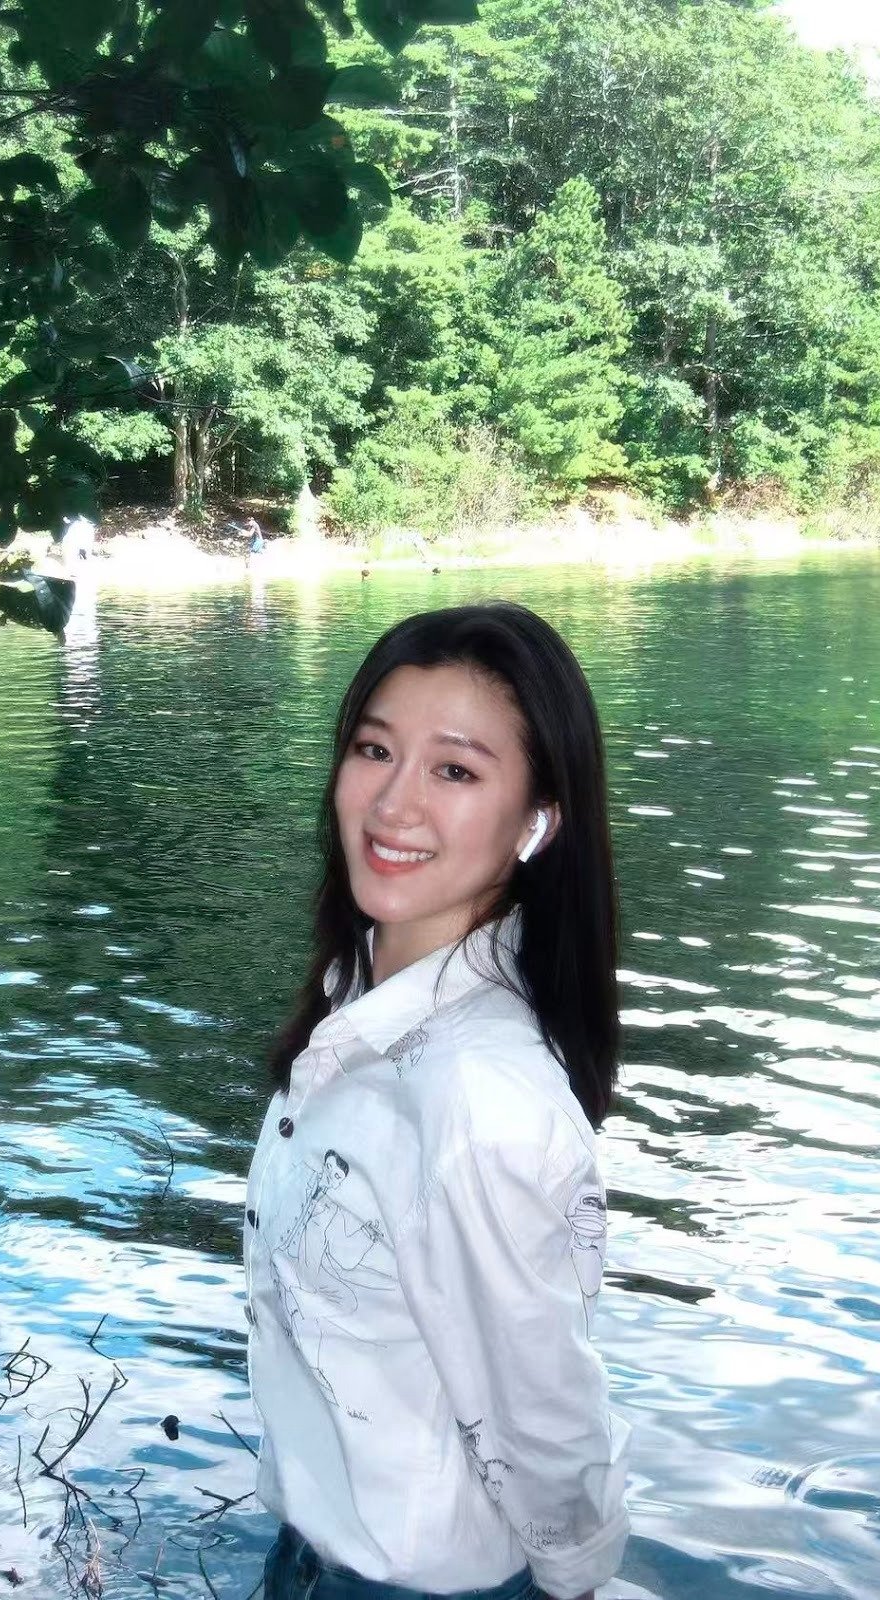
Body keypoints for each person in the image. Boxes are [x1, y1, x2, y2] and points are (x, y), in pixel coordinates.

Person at [243, 602, 630, 1600]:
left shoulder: (479, 1095)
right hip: (312, 1552)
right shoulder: (359, 1009)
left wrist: (577, 1581)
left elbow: (545, 1417)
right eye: (376, 750)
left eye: (454, 770)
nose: (393, 803)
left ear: (538, 820)